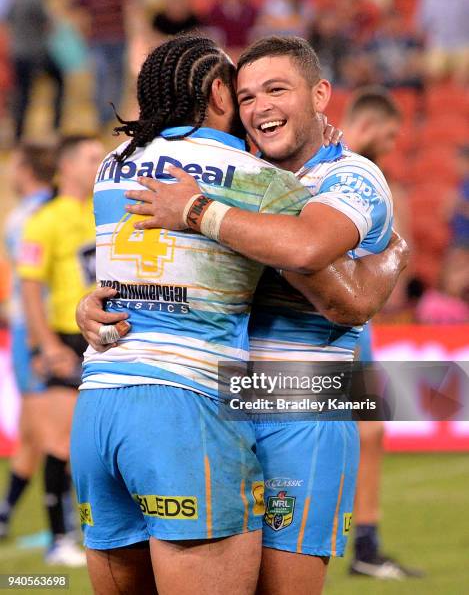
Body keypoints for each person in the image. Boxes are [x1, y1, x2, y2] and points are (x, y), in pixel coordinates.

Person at [78, 35, 405, 595]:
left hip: (300, 398)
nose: (259, 108)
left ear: (320, 95)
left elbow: (345, 298)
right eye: (247, 95)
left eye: (277, 89)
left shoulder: (349, 176)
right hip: (209, 394)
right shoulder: (245, 174)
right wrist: (99, 301)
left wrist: (395, 252)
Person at [341, 88, 424, 578]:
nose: (392, 146)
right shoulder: (327, 171)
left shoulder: (372, 182)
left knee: (370, 433)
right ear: (369, 127)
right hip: (321, 326)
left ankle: (367, 548)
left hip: (357, 325)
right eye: (389, 136)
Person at [17, 134, 104, 566]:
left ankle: (95, 529)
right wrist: (46, 345)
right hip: (65, 338)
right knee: (60, 444)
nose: (99, 163)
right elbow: (29, 289)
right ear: (66, 166)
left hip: (106, 338)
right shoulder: (44, 220)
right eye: (91, 157)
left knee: (98, 444)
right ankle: (58, 539)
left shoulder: (104, 209)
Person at [0, 143, 55, 540]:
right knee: (45, 427)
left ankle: (7, 514)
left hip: (32, 328)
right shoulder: (53, 211)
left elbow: (26, 280)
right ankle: (59, 529)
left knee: (39, 426)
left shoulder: (22, 217)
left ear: (26, 170)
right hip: (52, 327)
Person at [9, 0, 64, 141]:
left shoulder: (16, 0)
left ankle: (18, 133)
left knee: (22, 93)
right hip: (36, 53)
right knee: (59, 82)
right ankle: (55, 125)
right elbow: (50, 25)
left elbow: (9, 23)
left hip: (18, 53)